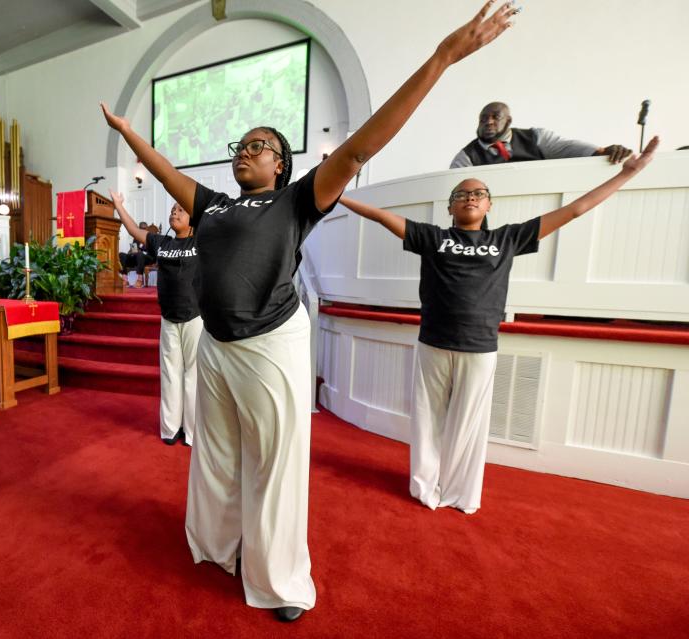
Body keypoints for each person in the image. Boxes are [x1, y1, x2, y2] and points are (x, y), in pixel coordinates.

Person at [102, 0, 517, 622]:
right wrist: (131, 134)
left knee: (274, 465)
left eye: (261, 146)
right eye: (242, 145)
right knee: (214, 454)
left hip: (269, 342)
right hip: (214, 344)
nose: (247, 151)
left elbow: (359, 147)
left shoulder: (298, 200)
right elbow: (164, 172)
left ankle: (279, 579)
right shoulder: (211, 204)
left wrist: (442, 58)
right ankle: (218, 546)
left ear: (284, 164)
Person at [343, 136, 659, 515]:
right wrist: (333, 193)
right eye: (461, 194)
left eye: (479, 193)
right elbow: (379, 215)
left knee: (468, 426)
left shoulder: (507, 238)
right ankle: (425, 487)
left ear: (489, 204)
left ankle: (461, 493)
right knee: (428, 421)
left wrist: (628, 174)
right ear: (450, 208)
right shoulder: (433, 237)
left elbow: (576, 209)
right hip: (433, 342)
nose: (470, 197)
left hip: (479, 346)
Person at [110, 190, 201, 446]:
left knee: (193, 375)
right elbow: (132, 230)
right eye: (173, 209)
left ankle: (193, 431)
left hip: (195, 317)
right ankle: (171, 428)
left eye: (181, 209)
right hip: (169, 317)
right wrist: (118, 206)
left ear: (194, 219)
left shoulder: (201, 242)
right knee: (171, 373)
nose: (175, 212)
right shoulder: (162, 243)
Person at [450, 101, 632, 168]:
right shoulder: (466, 158)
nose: (488, 122)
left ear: (509, 121)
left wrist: (601, 152)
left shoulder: (536, 138)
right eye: (483, 118)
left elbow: (567, 147)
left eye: (495, 117)